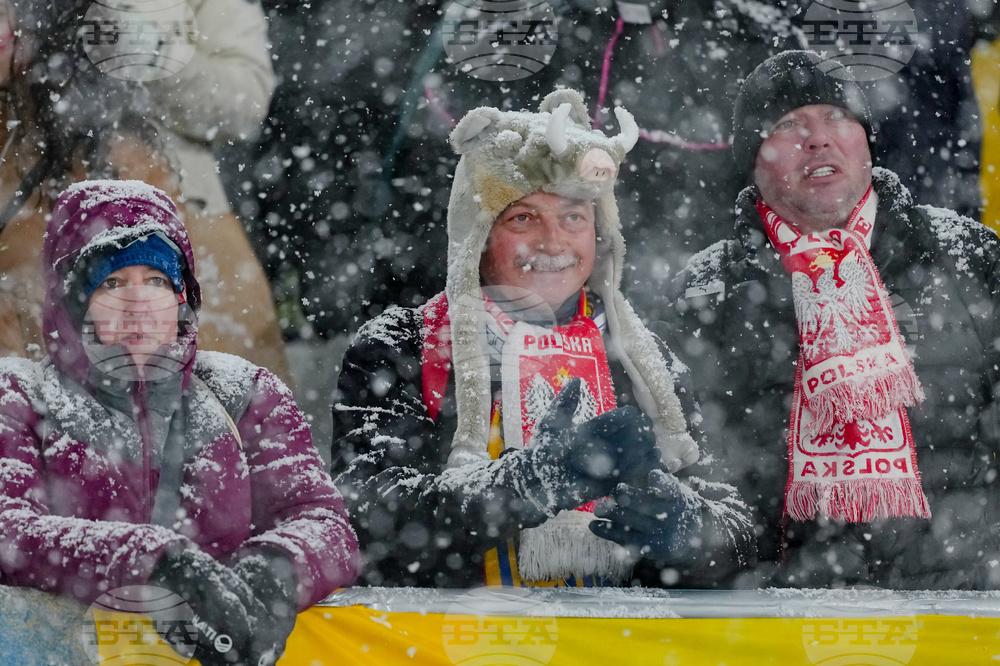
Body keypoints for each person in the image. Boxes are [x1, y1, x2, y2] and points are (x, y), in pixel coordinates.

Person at [332, 89, 753, 588]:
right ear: (479, 234)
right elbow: (362, 516)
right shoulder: (403, 344)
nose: (553, 243)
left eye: (574, 217)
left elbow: (740, 531)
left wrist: (686, 529)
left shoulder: (643, 358)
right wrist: (529, 483)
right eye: (523, 217)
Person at [666, 50, 1000, 589]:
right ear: (754, 160)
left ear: (866, 140)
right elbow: (706, 483)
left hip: (962, 606)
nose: (817, 139)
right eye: (789, 124)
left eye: (837, 118)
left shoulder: (968, 255)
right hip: (780, 616)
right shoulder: (705, 291)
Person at [0, 180, 359, 664]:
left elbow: (323, 522)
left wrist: (275, 570)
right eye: (111, 282)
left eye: (157, 281)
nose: (139, 303)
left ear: (181, 297)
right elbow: (8, 529)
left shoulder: (245, 394)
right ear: (71, 302)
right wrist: (151, 561)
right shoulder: (20, 397)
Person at [0, 0, 290, 384]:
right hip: (25, 199)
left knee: (210, 399)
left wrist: (145, 50)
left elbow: (244, 100)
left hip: (176, 213)